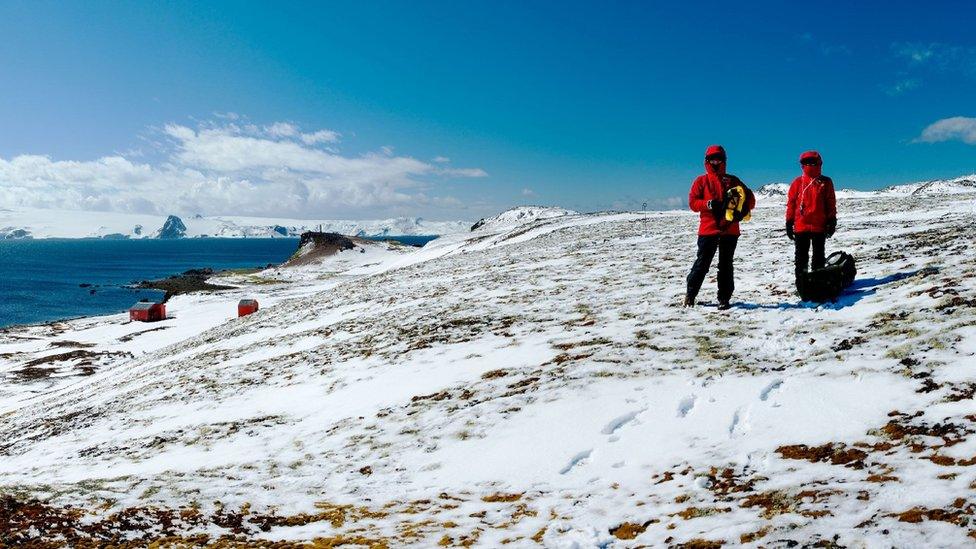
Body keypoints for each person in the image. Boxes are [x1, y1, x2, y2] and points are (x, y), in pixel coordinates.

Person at [684, 145, 756, 309]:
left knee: (726, 265)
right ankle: (690, 294)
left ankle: (724, 298)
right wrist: (709, 204)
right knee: (702, 264)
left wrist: (743, 210)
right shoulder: (701, 181)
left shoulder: (733, 180)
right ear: (707, 161)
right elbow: (693, 203)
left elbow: (750, 198)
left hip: (730, 230)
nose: (716, 162)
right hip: (708, 230)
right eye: (712, 159)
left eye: (719, 159)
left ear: (724, 161)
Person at [785, 150, 837, 289]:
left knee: (817, 257)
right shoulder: (797, 182)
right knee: (802, 259)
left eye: (812, 162)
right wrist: (789, 222)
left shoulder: (826, 182)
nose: (809, 165)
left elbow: (830, 202)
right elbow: (791, 203)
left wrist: (832, 220)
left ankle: (816, 285)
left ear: (818, 163)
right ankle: (803, 287)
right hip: (802, 226)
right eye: (806, 162)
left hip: (818, 226)